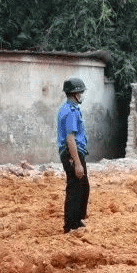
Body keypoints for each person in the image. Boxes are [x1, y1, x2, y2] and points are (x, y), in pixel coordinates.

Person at [56, 77, 89, 233]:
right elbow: (70, 139)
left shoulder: (71, 109)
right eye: (80, 92)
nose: (81, 95)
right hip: (72, 153)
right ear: (75, 93)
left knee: (82, 186)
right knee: (75, 188)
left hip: (74, 152)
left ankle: (76, 220)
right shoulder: (70, 112)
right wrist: (77, 163)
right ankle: (70, 225)